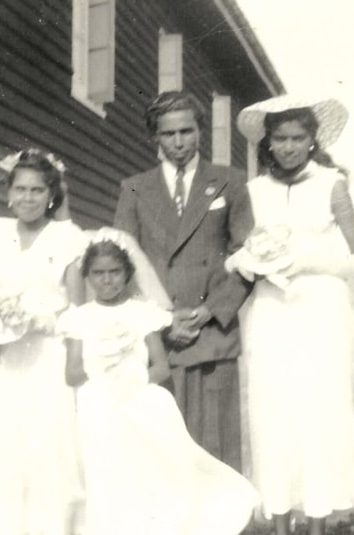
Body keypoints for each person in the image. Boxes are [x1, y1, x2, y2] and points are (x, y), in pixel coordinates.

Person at [231, 95, 354, 535]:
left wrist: (312, 262)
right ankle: (279, 523)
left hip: (320, 312)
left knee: (316, 415)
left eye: (299, 138)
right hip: (272, 312)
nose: (290, 147)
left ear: (313, 141)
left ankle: (315, 523)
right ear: (268, 143)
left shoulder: (332, 184)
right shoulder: (254, 190)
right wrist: (246, 260)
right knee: (272, 413)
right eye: (281, 139)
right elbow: (238, 249)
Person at [58, 228, 258, 535]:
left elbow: (161, 367)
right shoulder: (79, 318)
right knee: (107, 478)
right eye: (98, 273)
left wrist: (132, 379)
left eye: (114, 272)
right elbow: (72, 373)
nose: (106, 280)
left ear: (127, 274)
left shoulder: (142, 313)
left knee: (150, 475)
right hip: (99, 407)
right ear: (87, 276)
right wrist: (105, 368)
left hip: (139, 402)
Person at [113, 91, 254, 471]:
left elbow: (249, 258)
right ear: (154, 138)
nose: (178, 142)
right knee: (162, 452)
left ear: (200, 132)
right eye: (168, 134)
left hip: (212, 336)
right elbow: (119, 263)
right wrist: (160, 320)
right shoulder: (134, 188)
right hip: (160, 340)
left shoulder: (230, 182)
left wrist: (209, 311)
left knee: (215, 449)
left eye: (186, 131)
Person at [0, 148, 87, 535]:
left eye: (37, 190)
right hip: (8, 361)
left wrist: (42, 320)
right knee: (5, 449)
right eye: (20, 189)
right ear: (8, 192)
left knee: (50, 454)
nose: (27, 198)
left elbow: (77, 308)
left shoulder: (67, 236)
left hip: (49, 359)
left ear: (51, 194)